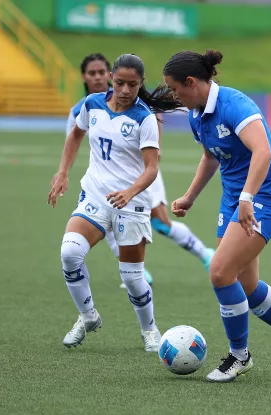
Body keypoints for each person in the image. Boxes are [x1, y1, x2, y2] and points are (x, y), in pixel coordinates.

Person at [163, 50, 271, 383]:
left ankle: (239, 356)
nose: (174, 97)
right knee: (244, 285)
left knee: (220, 272)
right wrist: (190, 196)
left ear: (191, 82)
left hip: (266, 198)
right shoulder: (196, 115)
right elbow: (210, 157)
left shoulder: (235, 105)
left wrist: (247, 198)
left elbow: (263, 151)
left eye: (175, 89)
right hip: (235, 201)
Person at [49, 54, 184, 352]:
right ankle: (88, 316)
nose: (125, 90)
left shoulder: (144, 118)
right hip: (95, 196)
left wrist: (130, 192)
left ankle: (149, 330)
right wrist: (62, 173)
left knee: (133, 278)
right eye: (120, 82)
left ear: (141, 84)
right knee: (70, 253)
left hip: (131, 204)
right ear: (111, 78)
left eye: (132, 85)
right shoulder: (92, 104)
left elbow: (152, 168)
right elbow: (75, 135)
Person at [67, 53, 215, 290]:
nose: (97, 78)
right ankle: (137, 272)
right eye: (91, 73)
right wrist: (62, 173)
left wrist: (158, 145)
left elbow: (154, 116)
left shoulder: (133, 100)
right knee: (104, 218)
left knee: (162, 224)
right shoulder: (82, 109)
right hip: (106, 178)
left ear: (109, 75)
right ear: (83, 77)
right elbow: (73, 138)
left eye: (101, 72)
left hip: (142, 173)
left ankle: (205, 254)